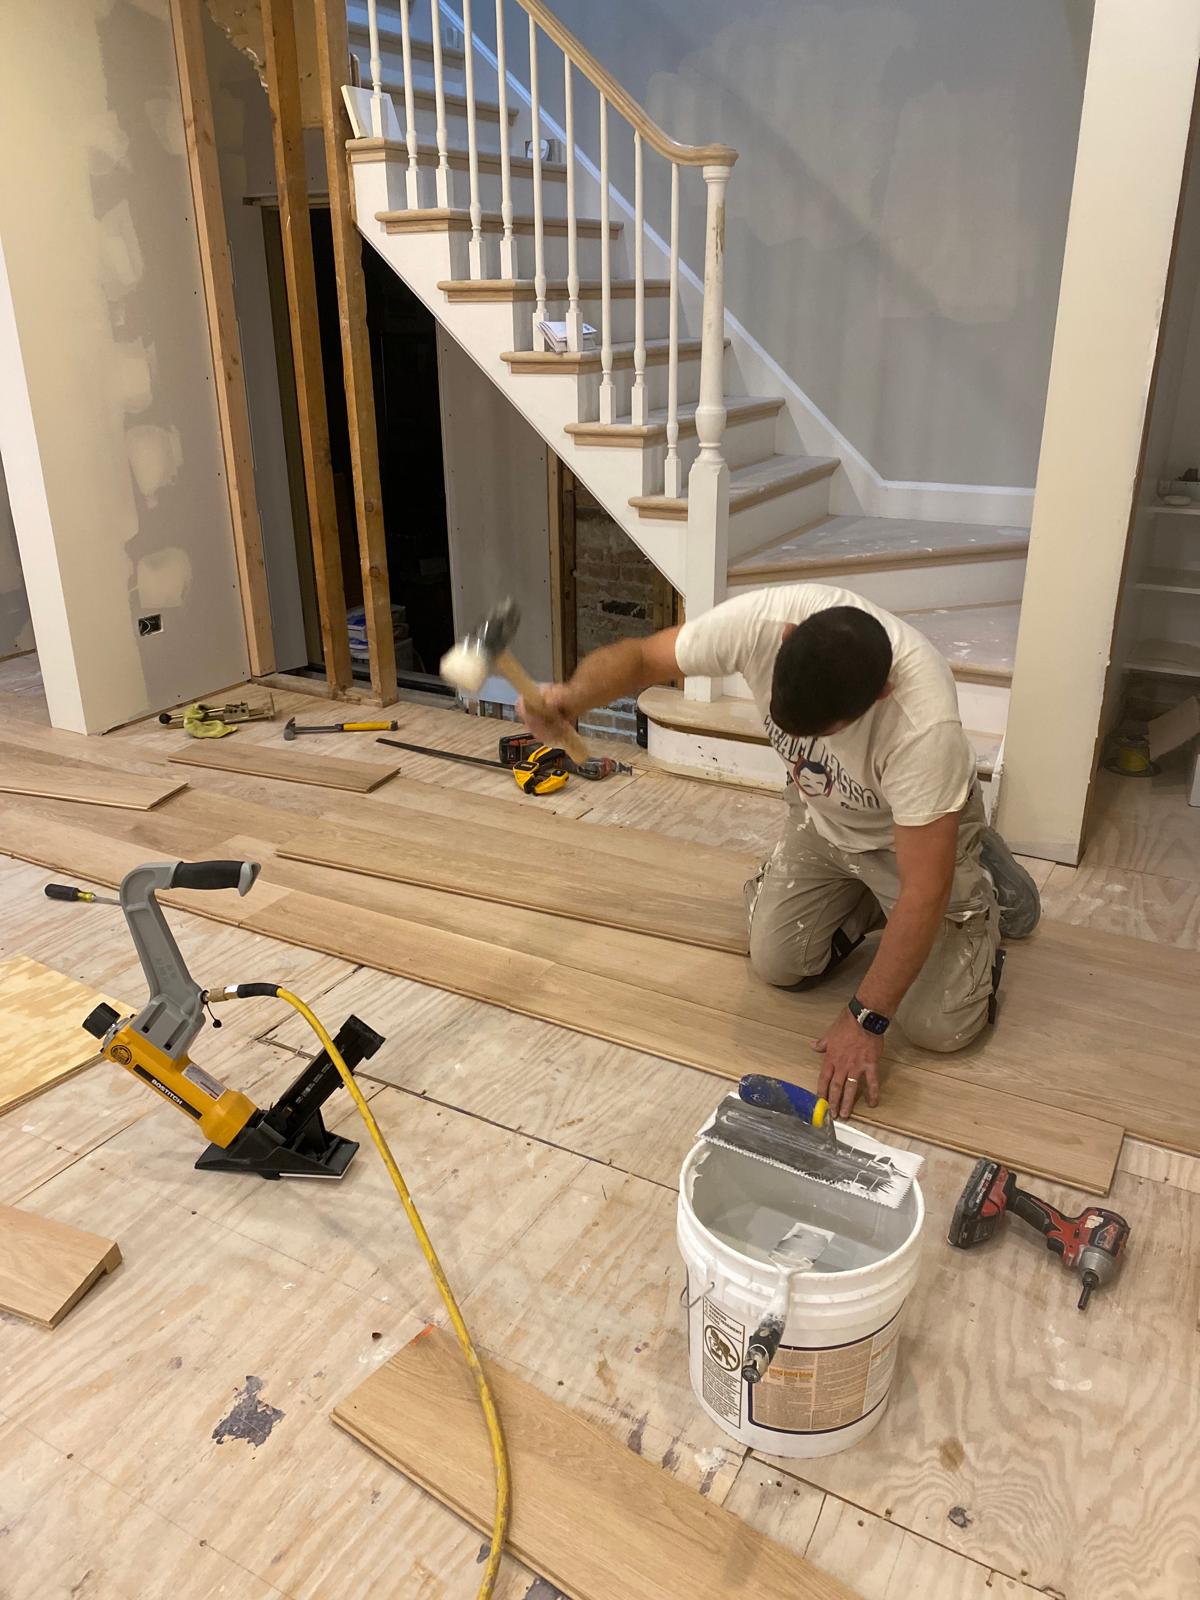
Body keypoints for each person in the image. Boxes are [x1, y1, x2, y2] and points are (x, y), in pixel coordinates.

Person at [519, 583, 1040, 1118]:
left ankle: (973, 862)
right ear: (786, 639)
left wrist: (866, 1018)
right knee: (780, 964)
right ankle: (864, 899)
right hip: (825, 814)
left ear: (881, 693)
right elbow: (641, 657)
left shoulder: (923, 727)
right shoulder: (762, 623)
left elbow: (924, 891)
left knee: (940, 1028)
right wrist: (571, 697)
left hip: (908, 837)